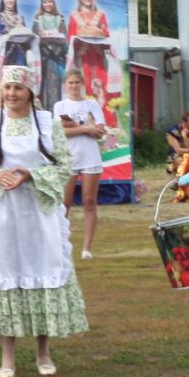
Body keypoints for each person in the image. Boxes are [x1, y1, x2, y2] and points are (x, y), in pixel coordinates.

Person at [0, 65, 88, 377]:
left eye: (18, 88)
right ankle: (7, 357)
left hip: (38, 212)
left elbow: (64, 165)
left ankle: (43, 353)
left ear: (30, 91)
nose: (11, 94)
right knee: (6, 274)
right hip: (4, 212)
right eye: (7, 88)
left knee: (42, 272)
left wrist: (30, 174)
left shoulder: (48, 124)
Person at [54, 71, 107, 261]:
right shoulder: (60, 106)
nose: (74, 86)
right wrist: (86, 128)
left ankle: (87, 248)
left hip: (90, 158)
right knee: (64, 204)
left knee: (89, 202)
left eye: (77, 82)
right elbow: (59, 132)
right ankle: (60, 244)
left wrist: (76, 127)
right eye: (70, 83)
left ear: (82, 84)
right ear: (65, 85)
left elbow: (100, 131)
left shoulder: (91, 104)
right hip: (69, 159)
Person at [67, 0, 117, 124]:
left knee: (102, 87)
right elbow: (70, 38)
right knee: (85, 87)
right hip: (83, 59)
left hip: (98, 58)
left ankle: (106, 123)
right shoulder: (74, 16)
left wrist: (100, 30)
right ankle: (87, 122)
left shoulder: (100, 15)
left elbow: (106, 33)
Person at [34, 0, 68, 104]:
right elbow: (34, 40)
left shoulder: (60, 18)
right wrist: (46, 48)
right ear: (41, 3)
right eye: (44, 2)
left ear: (53, 2)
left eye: (49, 1)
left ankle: (59, 116)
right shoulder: (38, 19)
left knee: (59, 86)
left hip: (58, 58)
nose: (47, 5)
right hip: (44, 59)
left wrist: (57, 49)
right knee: (44, 87)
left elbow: (65, 39)